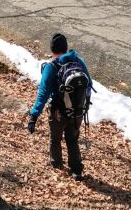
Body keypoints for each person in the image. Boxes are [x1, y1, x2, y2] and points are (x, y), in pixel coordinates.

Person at [27, 33, 91, 181]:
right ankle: (76, 170)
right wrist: (80, 104)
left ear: (52, 49)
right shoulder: (78, 61)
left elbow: (43, 93)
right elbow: (89, 85)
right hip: (77, 112)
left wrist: (34, 115)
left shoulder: (51, 66)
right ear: (66, 48)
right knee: (72, 139)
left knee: (55, 140)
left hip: (58, 113)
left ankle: (56, 165)